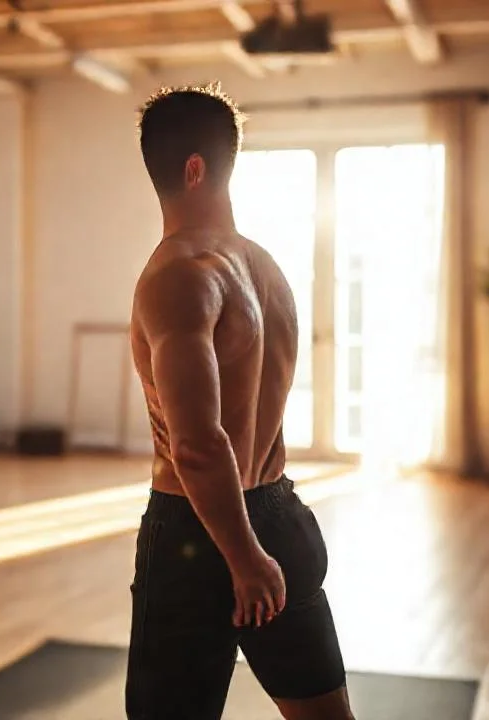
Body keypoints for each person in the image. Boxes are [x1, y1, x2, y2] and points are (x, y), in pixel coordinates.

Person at [125, 83, 354, 720]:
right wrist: (260, 543)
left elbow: (197, 445)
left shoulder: (177, 276)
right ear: (217, 163)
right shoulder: (265, 268)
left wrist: (243, 556)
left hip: (204, 535)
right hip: (280, 513)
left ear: (183, 169)